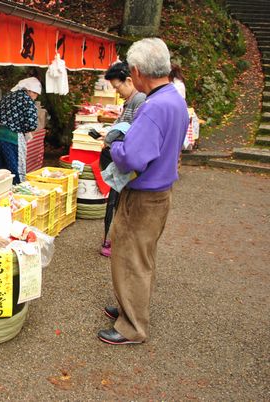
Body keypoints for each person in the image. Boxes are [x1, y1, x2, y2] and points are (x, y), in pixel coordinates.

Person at [97, 38, 189, 345]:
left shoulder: (154, 106)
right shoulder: (174, 98)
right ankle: (128, 307)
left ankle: (132, 327)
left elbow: (134, 157)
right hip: (160, 192)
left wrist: (116, 145)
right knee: (140, 256)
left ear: (136, 71)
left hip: (144, 196)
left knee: (130, 257)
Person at [99, 61, 146, 258]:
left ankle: (119, 243)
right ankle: (115, 239)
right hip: (118, 154)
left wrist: (112, 139)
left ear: (129, 80)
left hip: (125, 159)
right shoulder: (130, 101)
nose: (117, 92)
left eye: (117, 87)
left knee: (122, 204)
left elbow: (133, 131)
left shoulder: (140, 100)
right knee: (116, 202)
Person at [0, 77, 40, 184]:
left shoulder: (8, 95)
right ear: (29, 91)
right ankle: (15, 194)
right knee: (13, 170)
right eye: (35, 94)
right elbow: (32, 125)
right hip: (10, 138)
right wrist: (25, 129)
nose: (35, 97)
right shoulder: (27, 100)